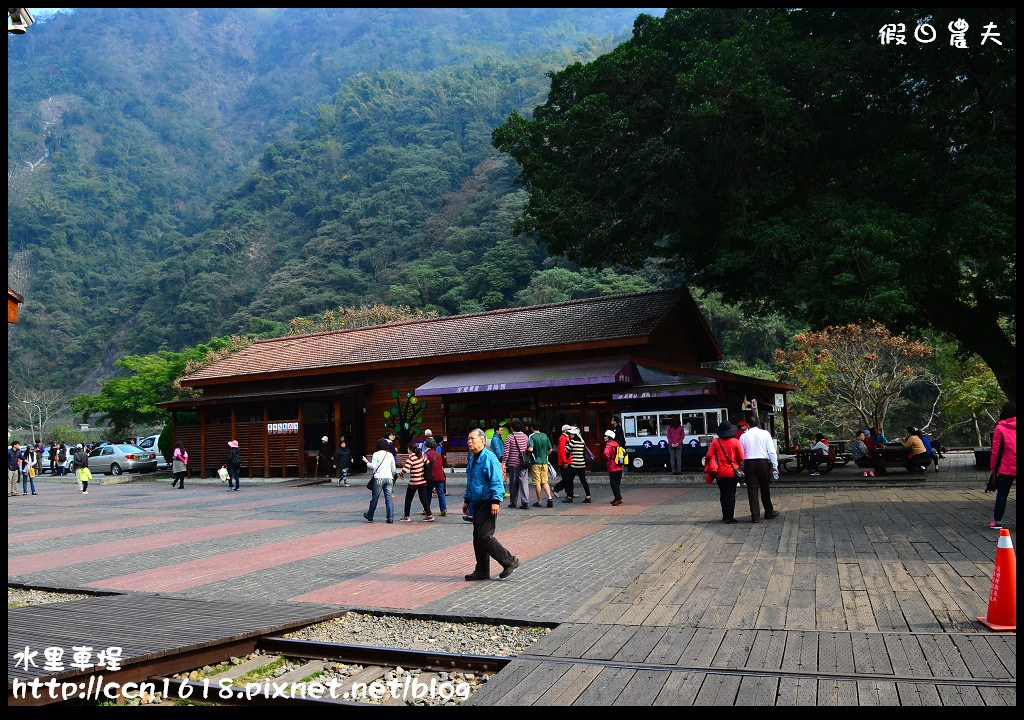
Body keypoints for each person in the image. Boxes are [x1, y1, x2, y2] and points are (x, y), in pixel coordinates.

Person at [462, 428, 520, 581]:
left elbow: (497, 480)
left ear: (482, 440)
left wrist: (496, 501)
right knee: (477, 537)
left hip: (488, 501)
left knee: (484, 536)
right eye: (468, 439)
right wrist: (467, 500)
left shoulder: (489, 457)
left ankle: (509, 561)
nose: (469, 442)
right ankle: (481, 570)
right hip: (477, 501)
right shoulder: (473, 458)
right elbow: (471, 481)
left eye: (472, 439)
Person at [739, 416, 779, 523]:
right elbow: (771, 451)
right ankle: (769, 512)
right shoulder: (765, 433)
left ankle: (755, 516)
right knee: (765, 487)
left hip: (749, 463)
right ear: (757, 423)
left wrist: (742, 467)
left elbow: (741, 454)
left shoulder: (743, 436)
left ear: (748, 424)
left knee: (752, 490)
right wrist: (775, 466)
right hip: (762, 463)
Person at [706, 421, 745, 523]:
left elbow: (709, 455)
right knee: (731, 494)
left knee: (723, 494)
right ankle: (730, 517)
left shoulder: (715, 442)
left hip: (719, 472)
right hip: (732, 472)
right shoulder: (735, 442)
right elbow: (741, 457)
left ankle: (725, 516)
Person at [987, 402, 1016, 530]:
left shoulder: (1000, 427)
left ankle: (997, 522)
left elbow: (995, 450)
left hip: (1006, 466)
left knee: (1002, 494)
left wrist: (993, 468)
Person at [363, 439, 397, 523]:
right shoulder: (390, 455)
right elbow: (393, 469)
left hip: (379, 478)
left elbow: (374, 466)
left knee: (375, 498)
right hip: (389, 478)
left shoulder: (376, 454)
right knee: (388, 498)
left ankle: (370, 515)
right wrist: (391, 475)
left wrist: (367, 462)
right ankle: (390, 517)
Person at [398, 443, 433, 522]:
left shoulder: (411, 458)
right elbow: (427, 462)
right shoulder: (421, 456)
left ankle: (406, 516)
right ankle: (429, 515)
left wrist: (401, 475)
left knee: (408, 499)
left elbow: (405, 469)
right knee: (423, 499)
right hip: (422, 481)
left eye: (408, 449)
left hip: (414, 482)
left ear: (410, 449)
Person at [502, 420, 531, 510]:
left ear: (512, 428)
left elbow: (506, 451)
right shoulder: (525, 437)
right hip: (523, 463)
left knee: (513, 483)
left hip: (513, 463)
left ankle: (513, 502)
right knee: (524, 482)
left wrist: (503, 462)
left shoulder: (509, 437)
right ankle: (525, 501)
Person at [526, 423, 554, 508]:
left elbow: (531, 448)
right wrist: (546, 456)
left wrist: (527, 451)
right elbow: (551, 449)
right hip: (544, 462)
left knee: (537, 482)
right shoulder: (545, 435)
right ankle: (549, 497)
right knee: (545, 481)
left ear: (532, 428)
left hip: (535, 462)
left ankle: (539, 501)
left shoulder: (532, 436)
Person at [564, 427, 592, 503]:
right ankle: (588, 496)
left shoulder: (572, 442)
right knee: (583, 480)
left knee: (569, 480)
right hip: (582, 464)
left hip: (575, 464)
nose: (569, 435)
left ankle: (569, 497)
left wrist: (567, 442)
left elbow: (566, 450)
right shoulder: (582, 442)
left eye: (570, 434)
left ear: (574, 434)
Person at [423, 437, 447, 517]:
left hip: (431, 477)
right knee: (441, 493)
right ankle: (443, 510)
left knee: (428, 493)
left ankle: (427, 509)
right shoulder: (439, 454)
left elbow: (425, 464)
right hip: (441, 476)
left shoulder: (427, 454)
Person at [602, 429, 625, 506]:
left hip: (613, 466)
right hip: (619, 466)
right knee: (617, 483)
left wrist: (606, 458)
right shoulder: (616, 444)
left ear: (609, 437)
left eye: (605, 436)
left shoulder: (609, 445)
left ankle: (618, 498)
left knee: (613, 483)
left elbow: (606, 454)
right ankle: (616, 497)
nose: (604, 437)